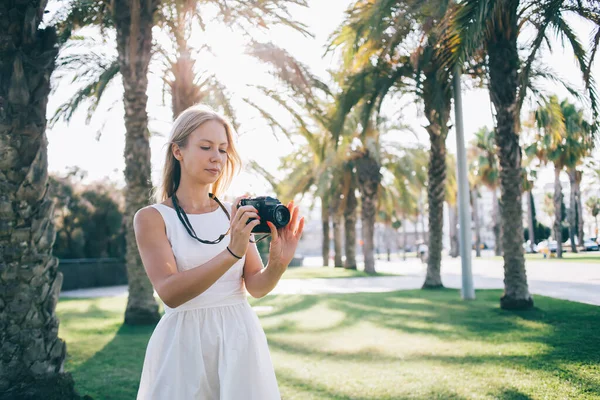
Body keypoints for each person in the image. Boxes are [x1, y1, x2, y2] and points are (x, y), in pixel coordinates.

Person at [133, 104, 305, 399]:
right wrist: (231, 253)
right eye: (205, 146)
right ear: (178, 151)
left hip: (239, 338)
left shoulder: (234, 212)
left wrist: (278, 263)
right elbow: (169, 292)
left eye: (223, 149)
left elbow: (255, 286)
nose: (216, 157)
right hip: (182, 344)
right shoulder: (151, 218)